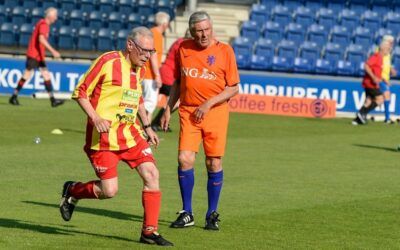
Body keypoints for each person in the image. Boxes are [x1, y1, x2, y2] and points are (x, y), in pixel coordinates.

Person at [59, 27, 173, 246]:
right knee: (109, 191)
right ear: (130, 45)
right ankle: (72, 191)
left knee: (152, 174)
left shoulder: (139, 67)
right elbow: (80, 91)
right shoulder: (107, 62)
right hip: (103, 138)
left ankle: (149, 232)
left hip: (130, 134)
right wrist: (95, 118)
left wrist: (148, 126)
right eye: (144, 51)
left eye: (152, 51)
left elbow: (137, 97)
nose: (148, 56)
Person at [160, 11, 240, 230]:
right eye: (198, 31)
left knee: (213, 162)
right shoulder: (183, 48)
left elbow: (233, 87)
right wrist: (168, 108)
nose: (203, 35)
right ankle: (187, 212)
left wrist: (208, 104)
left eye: (206, 30)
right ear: (192, 32)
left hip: (215, 113)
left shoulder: (225, 51)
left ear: (211, 28)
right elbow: (178, 82)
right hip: (188, 112)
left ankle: (211, 213)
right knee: (185, 159)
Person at [9, 7, 64, 107]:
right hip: (34, 55)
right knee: (27, 74)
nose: (56, 18)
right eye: (55, 16)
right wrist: (53, 51)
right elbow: (41, 39)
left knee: (46, 75)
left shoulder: (42, 23)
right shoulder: (44, 24)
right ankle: (14, 96)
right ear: (50, 16)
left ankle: (53, 100)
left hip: (39, 56)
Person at [151, 29, 192, 132]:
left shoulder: (178, 41)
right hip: (169, 75)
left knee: (169, 102)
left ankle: (159, 122)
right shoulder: (184, 45)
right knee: (175, 101)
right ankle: (157, 122)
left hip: (165, 72)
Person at [352, 41, 391, 125]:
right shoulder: (376, 56)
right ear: (383, 49)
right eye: (388, 49)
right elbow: (366, 66)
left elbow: (376, 72)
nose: (389, 51)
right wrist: (373, 77)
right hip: (370, 83)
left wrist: (383, 79)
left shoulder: (380, 58)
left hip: (370, 83)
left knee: (368, 101)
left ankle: (356, 120)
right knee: (380, 99)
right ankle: (362, 113)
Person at [142, 12, 170, 122]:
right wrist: (157, 75)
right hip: (150, 75)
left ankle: (145, 132)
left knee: (147, 102)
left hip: (144, 73)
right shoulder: (157, 35)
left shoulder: (150, 32)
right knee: (150, 103)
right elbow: (153, 56)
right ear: (164, 24)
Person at [378, 35, 397, 124]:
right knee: (386, 95)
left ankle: (387, 118)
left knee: (376, 99)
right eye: (390, 42)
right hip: (380, 79)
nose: (392, 44)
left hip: (385, 78)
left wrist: (391, 69)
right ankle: (387, 118)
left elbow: (386, 65)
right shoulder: (380, 52)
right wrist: (385, 80)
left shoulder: (388, 53)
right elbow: (377, 68)